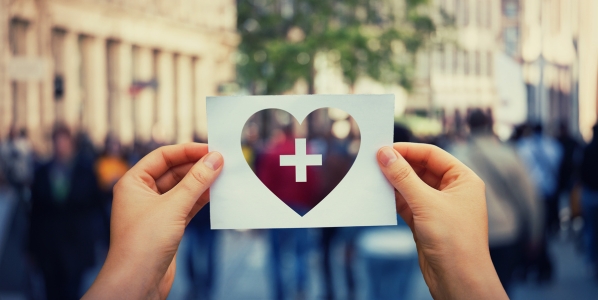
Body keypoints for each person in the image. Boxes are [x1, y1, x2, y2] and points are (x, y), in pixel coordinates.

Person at [82, 142, 507, 299]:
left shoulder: (272, 152)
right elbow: (316, 183)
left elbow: (265, 182)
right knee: (299, 254)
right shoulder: (305, 152)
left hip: (280, 211)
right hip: (302, 211)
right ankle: (299, 288)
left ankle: (288, 291)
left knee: (279, 255)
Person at [450, 109, 542, 293]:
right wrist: (535, 233)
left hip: (470, 235)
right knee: (502, 287)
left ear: (469, 126)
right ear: (490, 125)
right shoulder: (508, 154)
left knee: (474, 290)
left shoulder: (456, 156)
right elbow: (530, 198)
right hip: (506, 231)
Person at [29, 125, 105, 300]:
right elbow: (35, 213)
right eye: (57, 142)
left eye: (63, 142)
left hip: (76, 244)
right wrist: (31, 248)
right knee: (51, 292)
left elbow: (97, 206)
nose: (60, 147)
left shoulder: (85, 171)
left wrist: (104, 238)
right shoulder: (42, 172)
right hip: (49, 247)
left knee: (73, 291)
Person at [580, 123, 598, 278]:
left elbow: (581, 171)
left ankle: (592, 261)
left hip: (590, 194)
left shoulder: (587, 149)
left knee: (591, 229)